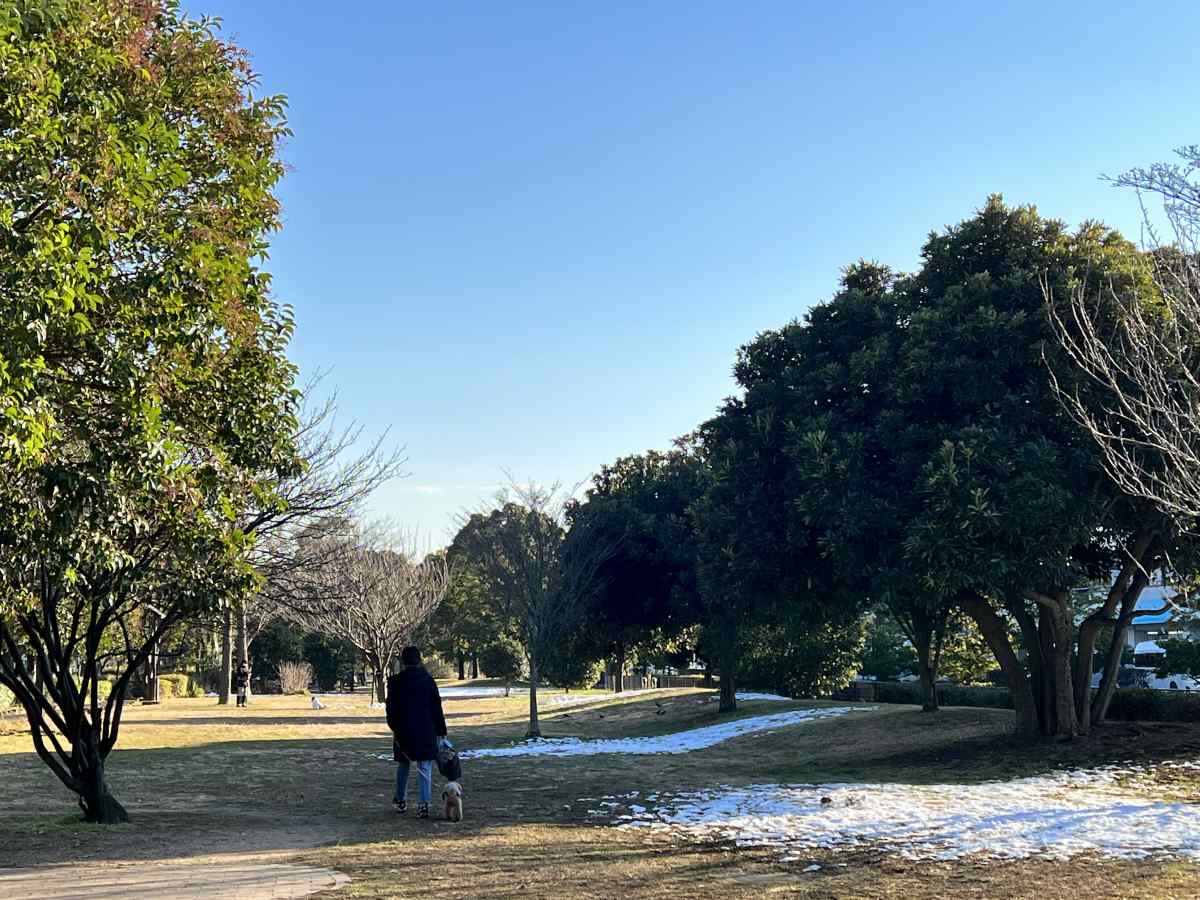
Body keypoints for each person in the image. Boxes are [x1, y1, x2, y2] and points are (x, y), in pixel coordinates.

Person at [386, 645, 447, 818]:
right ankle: (424, 804)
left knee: (403, 765)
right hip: (426, 730)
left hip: (403, 731)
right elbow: (436, 708)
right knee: (425, 766)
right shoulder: (428, 681)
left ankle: (400, 799)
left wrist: (394, 728)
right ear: (419, 660)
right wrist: (441, 730)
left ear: (403, 662)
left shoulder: (395, 682)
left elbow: (390, 710)